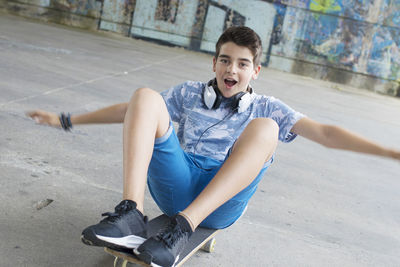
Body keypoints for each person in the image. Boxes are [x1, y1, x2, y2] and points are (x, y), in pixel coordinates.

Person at [27, 26, 400, 267]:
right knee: (144, 96)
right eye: (225, 60)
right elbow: (134, 111)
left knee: (267, 127)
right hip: (178, 184)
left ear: (256, 71)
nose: (231, 71)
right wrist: (67, 119)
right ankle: (130, 212)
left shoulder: (267, 105)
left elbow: (328, 134)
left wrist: (389, 152)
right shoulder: (190, 93)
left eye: (242, 63)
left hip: (222, 200)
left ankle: (183, 230)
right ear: (215, 62)